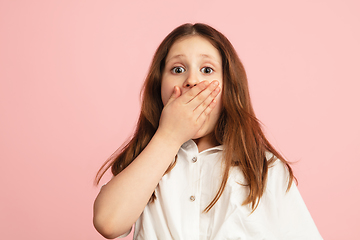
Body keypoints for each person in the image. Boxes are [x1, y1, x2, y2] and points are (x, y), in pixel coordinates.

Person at [93, 23, 323, 240]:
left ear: (229, 87)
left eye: (207, 69)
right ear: (159, 86)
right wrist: (169, 135)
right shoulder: (145, 162)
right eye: (178, 69)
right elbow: (108, 223)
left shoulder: (264, 168)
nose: (192, 80)